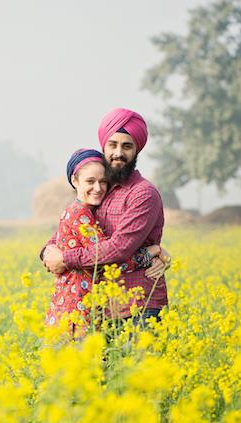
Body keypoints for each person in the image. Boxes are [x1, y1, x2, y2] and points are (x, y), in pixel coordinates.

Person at [43, 108, 169, 325]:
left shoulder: (143, 193)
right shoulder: (102, 190)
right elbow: (67, 233)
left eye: (127, 146)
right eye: (113, 145)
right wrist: (46, 252)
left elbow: (120, 248)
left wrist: (65, 259)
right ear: (104, 147)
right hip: (103, 310)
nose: (118, 152)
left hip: (139, 307)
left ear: (137, 150)